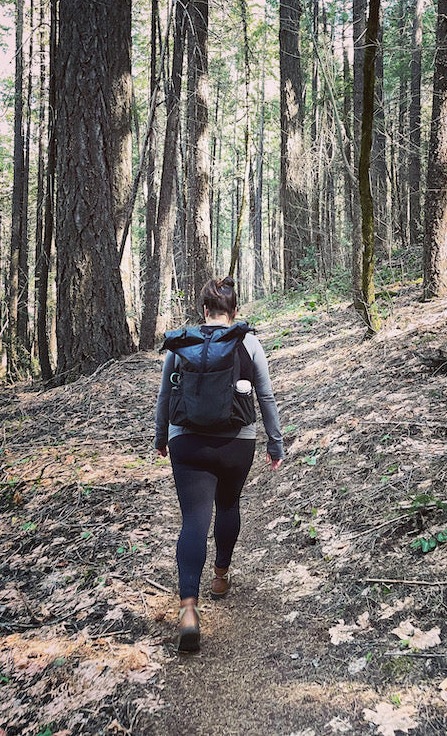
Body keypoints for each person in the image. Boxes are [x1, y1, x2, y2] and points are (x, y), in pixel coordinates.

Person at [155, 276, 284, 652]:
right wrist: (275, 443)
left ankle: (189, 611)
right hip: (235, 442)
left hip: (187, 442)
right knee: (228, 504)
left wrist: (161, 437)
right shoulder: (248, 340)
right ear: (234, 312)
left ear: (204, 311)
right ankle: (221, 576)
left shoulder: (181, 344)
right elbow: (266, 396)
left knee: (194, 520)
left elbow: (165, 395)